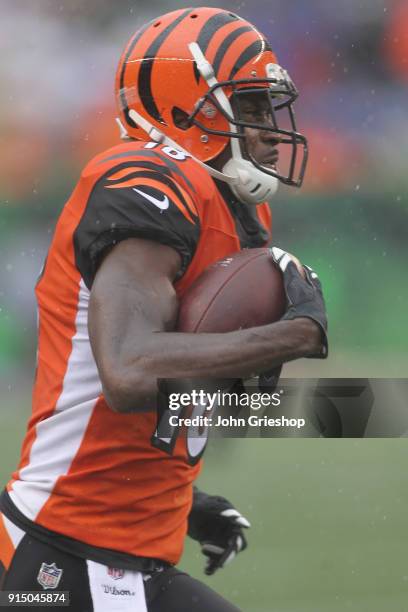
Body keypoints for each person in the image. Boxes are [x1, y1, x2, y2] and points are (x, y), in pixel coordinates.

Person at [0, 7, 327, 611]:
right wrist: (293, 335)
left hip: (113, 550)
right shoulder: (146, 180)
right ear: (189, 107)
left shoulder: (229, 208)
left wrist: (184, 503)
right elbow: (129, 373)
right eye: (251, 108)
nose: (271, 130)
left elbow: (181, 395)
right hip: (68, 554)